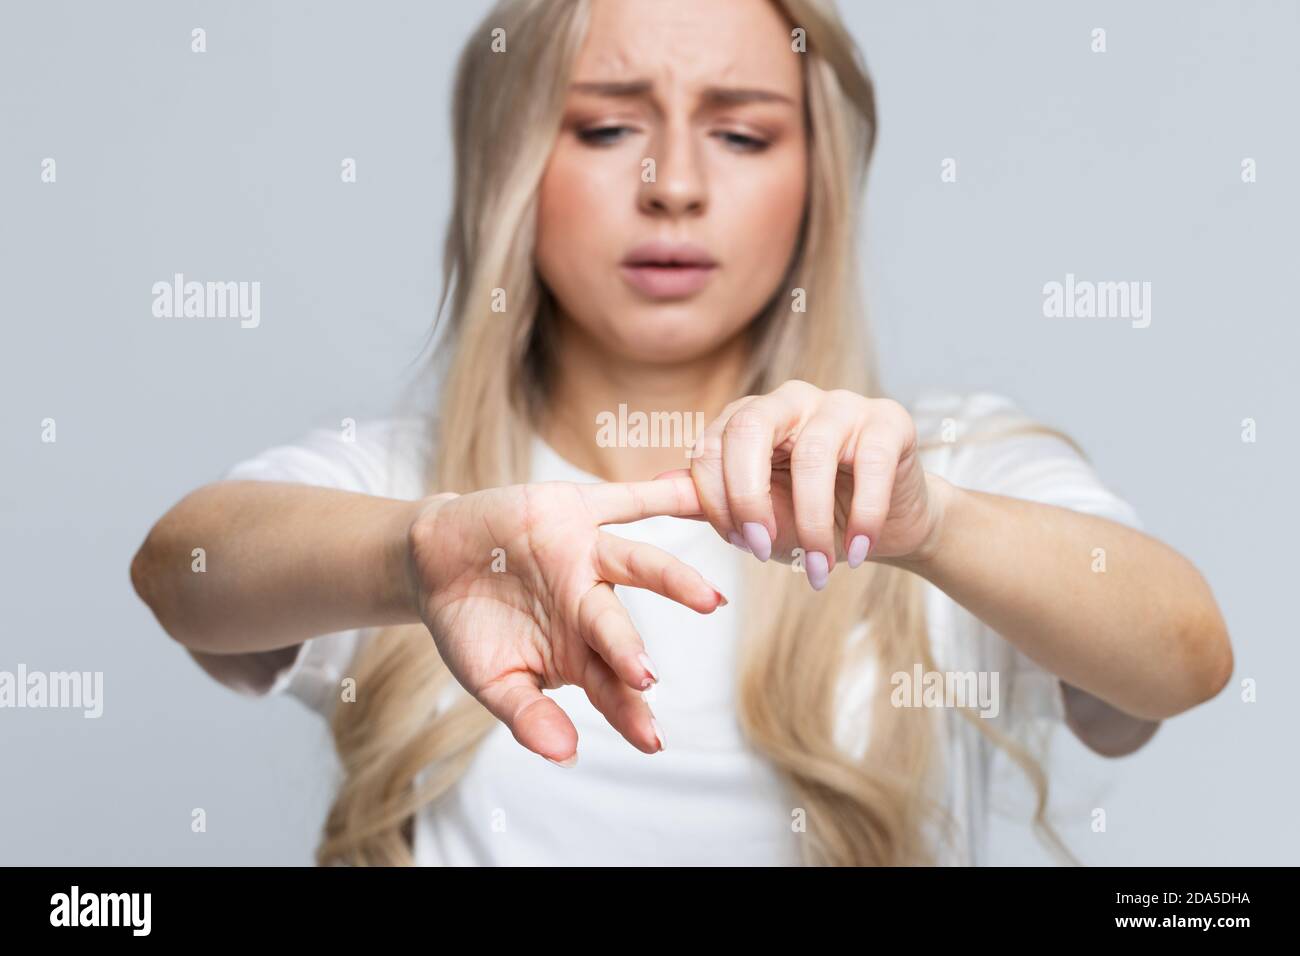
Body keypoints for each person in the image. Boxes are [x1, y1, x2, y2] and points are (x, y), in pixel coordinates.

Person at [130, 0, 1232, 866]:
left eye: (742, 132)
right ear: (512, 163)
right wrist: (412, 555)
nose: (674, 186)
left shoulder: (941, 467)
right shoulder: (400, 483)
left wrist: (931, 521)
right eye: (607, 126)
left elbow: (1184, 655)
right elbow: (182, 568)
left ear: (814, 179)